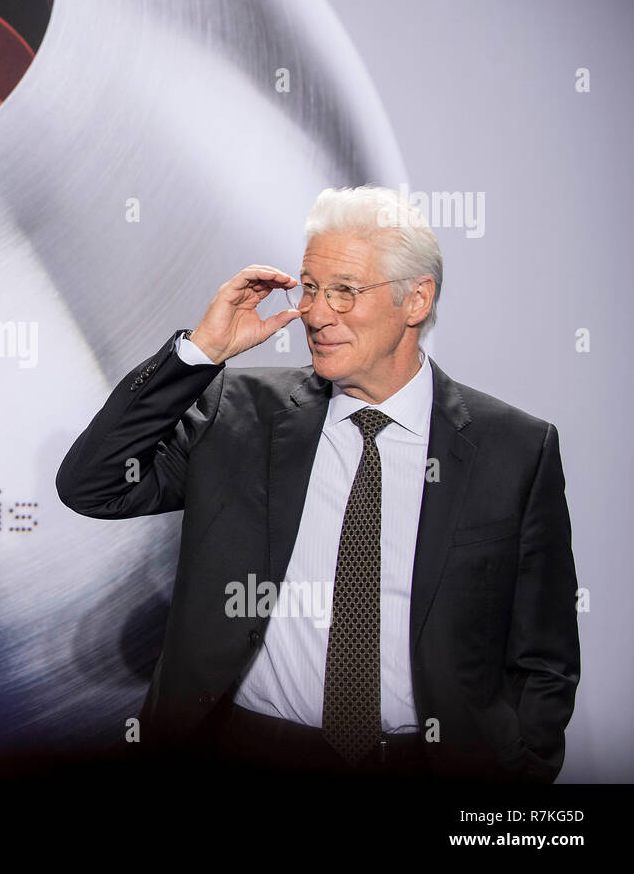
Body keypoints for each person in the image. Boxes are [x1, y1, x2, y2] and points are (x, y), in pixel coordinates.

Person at [55, 186, 579, 781]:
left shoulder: (513, 448)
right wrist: (200, 353)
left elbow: (545, 655)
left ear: (416, 300)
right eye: (309, 287)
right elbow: (92, 485)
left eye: (344, 292)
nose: (316, 312)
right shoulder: (235, 413)